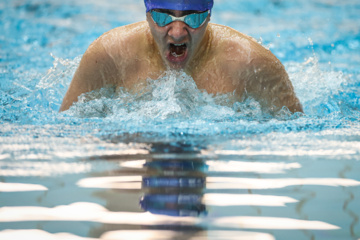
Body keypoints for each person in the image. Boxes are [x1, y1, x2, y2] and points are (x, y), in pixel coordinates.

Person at [60, 0, 303, 114]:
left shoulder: (252, 64)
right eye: (163, 17)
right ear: (147, 15)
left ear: (209, 16)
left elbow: (296, 138)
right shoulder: (110, 55)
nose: (177, 32)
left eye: (192, 18)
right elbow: (68, 133)